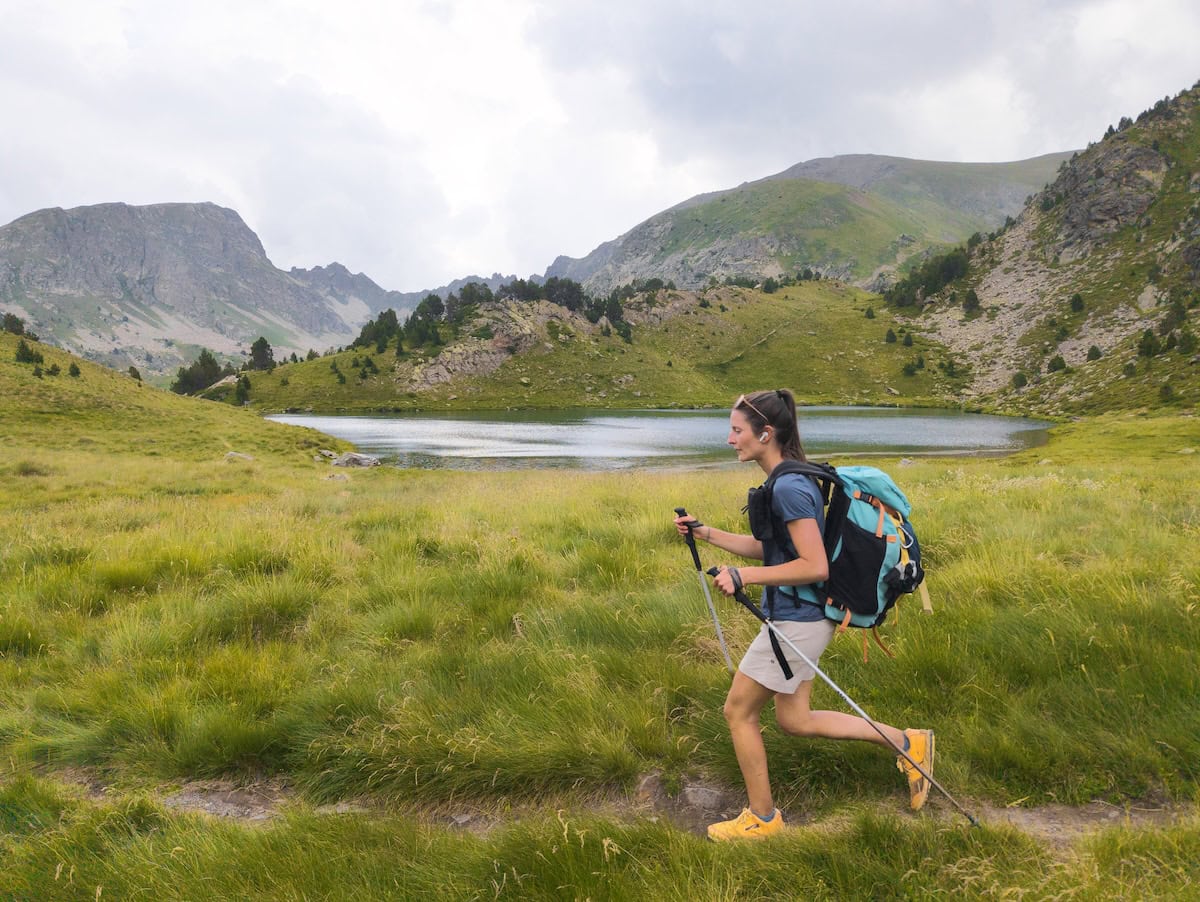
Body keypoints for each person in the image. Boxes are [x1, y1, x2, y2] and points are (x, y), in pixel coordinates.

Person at [673, 389, 933, 841]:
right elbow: (776, 549)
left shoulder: (790, 486)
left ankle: (763, 818)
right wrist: (706, 532)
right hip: (803, 616)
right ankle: (909, 743)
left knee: (737, 712)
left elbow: (814, 566)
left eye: (737, 430)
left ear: (765, 433)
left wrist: (745, 577)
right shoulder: (788, 480)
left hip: (800, 620)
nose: (730, 438)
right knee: (795, 719)